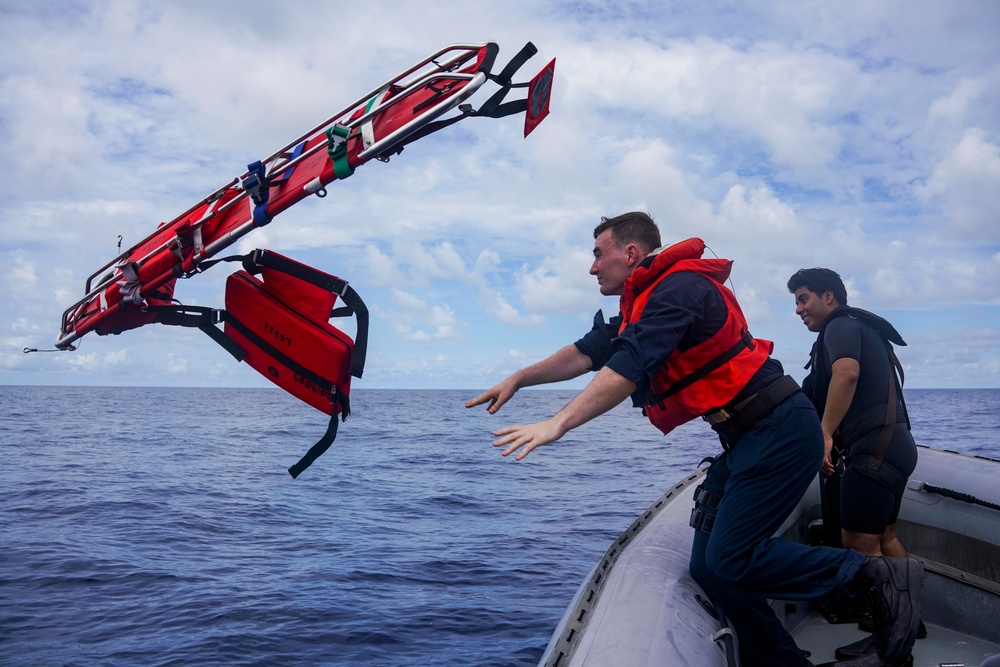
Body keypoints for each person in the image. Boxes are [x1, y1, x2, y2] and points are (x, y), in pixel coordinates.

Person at [467, 212, 922, 667]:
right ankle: (782, 662)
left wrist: (558, 423)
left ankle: (871, 574)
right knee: (710, 568)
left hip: (779, 429)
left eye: (597, 255)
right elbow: (588, 352)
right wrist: (520, 378)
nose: (592, 268)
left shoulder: (678, 288)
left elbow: (630, 365)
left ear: (630, 253)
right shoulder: (641, 304)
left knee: (733, 560)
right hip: (746, 438)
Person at [788, 268, 924, 660]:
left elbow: (846, 375)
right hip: (897, 445)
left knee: (858, 545)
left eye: (803, 298)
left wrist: (825, 435)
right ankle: (910, 623)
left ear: (829, 296)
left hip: (874, 450)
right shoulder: (864, 328)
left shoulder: (839, 326)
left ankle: (890, 642)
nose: (799, 309)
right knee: (885, 539)